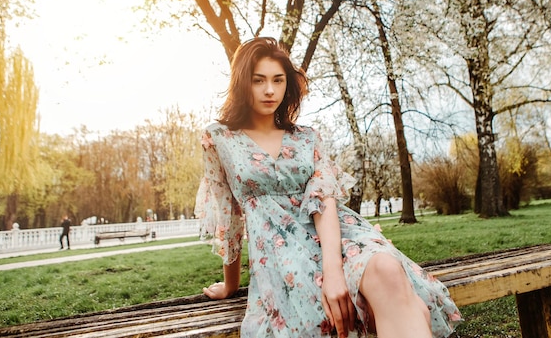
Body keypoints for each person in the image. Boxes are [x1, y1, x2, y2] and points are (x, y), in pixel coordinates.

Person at [195, 37, 461, 338]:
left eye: (278, 80)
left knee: (388, 271)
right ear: (243, 83)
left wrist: (334, 272)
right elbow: (228, 217)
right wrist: (231, 285)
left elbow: (325, 201)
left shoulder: (307, 138)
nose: (270, 90)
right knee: (386, 310)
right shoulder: (219, 139)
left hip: (338, 235)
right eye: (259, 80)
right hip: (283, 253)